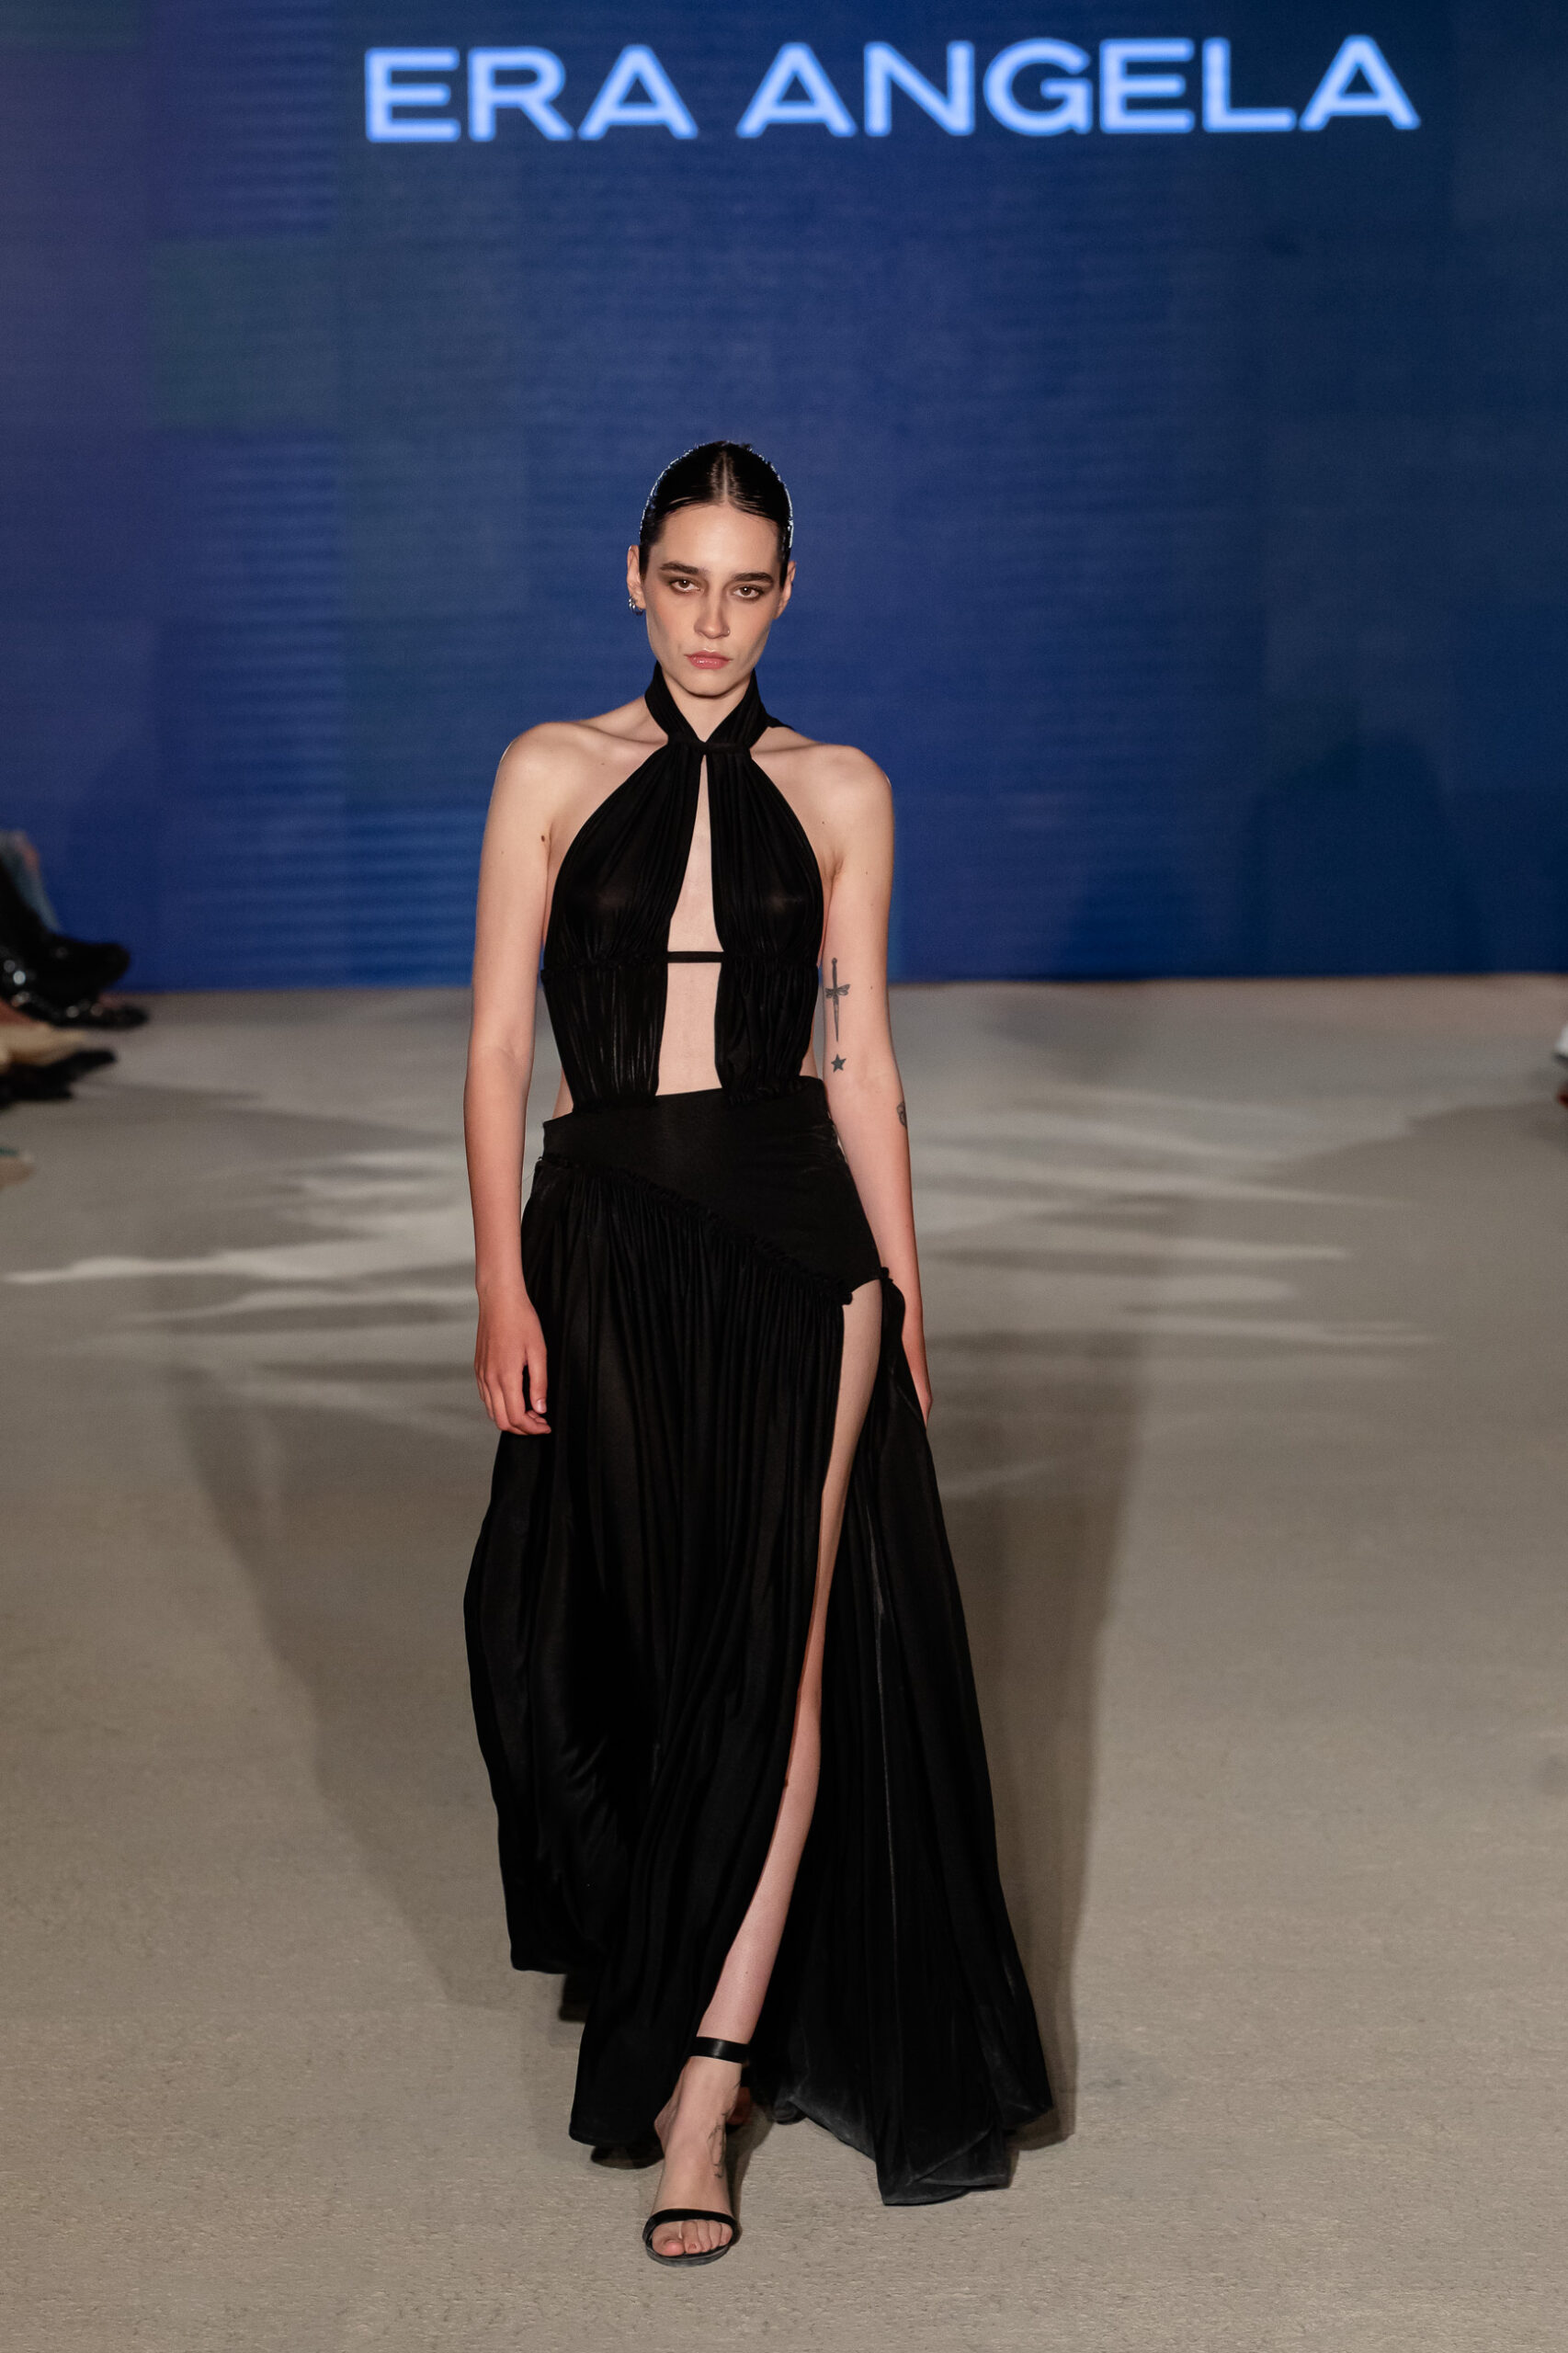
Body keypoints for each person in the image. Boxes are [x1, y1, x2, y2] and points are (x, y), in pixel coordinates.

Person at [463, 442, 1051, 2267]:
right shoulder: (549, 769)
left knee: (772, 1659)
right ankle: (674, 1957)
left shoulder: (843, 785)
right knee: (602, 1641)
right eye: (683, 582)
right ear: (631, 576)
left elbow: (857, 1056)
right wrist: (498, 1280)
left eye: (747, 587)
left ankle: (703, 2089)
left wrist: (906, 1285)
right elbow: (496, 1046)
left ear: (788, 592)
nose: (711, 622)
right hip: (607, 1236)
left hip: (804, 1250)